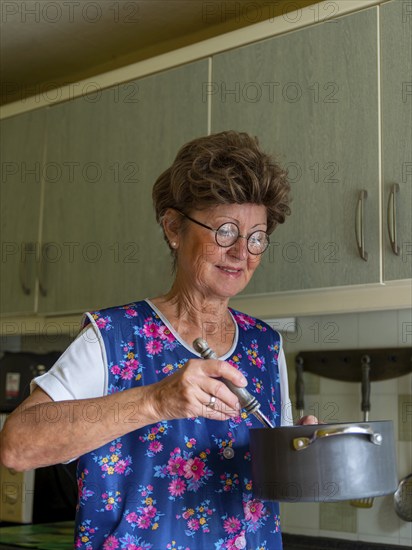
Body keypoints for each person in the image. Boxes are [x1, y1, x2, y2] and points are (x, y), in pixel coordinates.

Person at [1, 131, 316, 550]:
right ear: (173, 228)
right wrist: (156, 401)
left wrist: (301, 450)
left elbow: (269, 473)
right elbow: (18, 446)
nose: (243, 252)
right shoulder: (112, 337)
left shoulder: (266, 346)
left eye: (257, 236)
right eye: (225, 231)